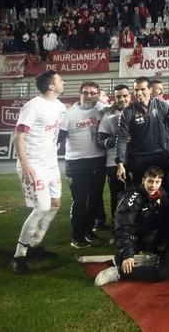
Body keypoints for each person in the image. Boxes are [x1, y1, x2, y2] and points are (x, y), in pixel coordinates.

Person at [11, 70, 67, 274]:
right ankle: (19, 255)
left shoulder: (59, 106)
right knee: (42, 207)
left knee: (54, 204)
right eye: (60, 80)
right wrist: (25, 165)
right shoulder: (33, 106)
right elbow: (18, 136)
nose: (63, 82)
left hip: (51, 164)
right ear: (51, 86)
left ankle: (35, 245)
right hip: (34, 165)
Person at [94, 166, 169, 286]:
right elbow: (122, 227)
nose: (153, 186)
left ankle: (147, 252)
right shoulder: (132, 197)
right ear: (143, 180)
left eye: (157, 182)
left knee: (161, 262)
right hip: (133, 236)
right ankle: (118, 268)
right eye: (150, 181)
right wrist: (128, 254)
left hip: (149, 236)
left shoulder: (162, 195)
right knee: (126, 263)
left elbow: (166, 220)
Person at [58, 81, 108, 249]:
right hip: (76, 162)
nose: (89, 96)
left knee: (95, 200)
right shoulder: (69, 113)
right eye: (85, 93)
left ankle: (88, 231)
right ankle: (77, 236)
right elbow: (58, 138)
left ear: (98, 94)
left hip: (98, 160)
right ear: (80, 93)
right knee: (80, 201)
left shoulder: (103, 108)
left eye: (93, 93)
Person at [116, 77, 169, 192]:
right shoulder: (127, 111)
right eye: (136, 90)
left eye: (142, 89)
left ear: (150, 90)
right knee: (138, 192)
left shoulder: (163, 106)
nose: (138, 93)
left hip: (160, 157)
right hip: (137, 159)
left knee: (163, 191)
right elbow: (121, 137)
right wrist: (120, 162)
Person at [96, 84, 131, 224]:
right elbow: (100, 140)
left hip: (134, 161)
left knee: (134, 195)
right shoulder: (108, 115)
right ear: (114, 98)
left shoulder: (137, 111)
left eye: (124, 96)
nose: (122, 99)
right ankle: (117, 226)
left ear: (130, 96)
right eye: (118, 96)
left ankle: (132, 226)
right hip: (113, 163)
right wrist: (119, 139)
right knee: (117, 196)